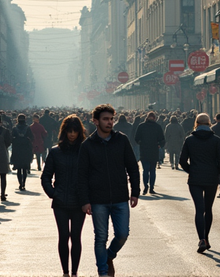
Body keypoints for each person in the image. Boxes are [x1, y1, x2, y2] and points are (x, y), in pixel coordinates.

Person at [77, 104, 139, 277]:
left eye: (112, 119)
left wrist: (135, 192)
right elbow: (81, 175)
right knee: (100, 237)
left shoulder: (122, 140)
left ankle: (109, 255)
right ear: (95, 121)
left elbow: (132, 167)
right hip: (98, 200)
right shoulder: (88, 145)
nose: (110, 122)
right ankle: (103, 271)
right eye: (105, 119)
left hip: (120, 197)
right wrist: (85, 200)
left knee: (122, 234)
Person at [42, 115, 87, 277]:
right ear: (64, 132)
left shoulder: (85, 151)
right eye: (69, 131)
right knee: (63, 236)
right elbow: (46, 177)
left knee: (76, 237)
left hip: (79, 202)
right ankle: (65, 272)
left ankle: (74, 272)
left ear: (79, 132)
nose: (72, 134)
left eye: (75, 131)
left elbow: (91, 176)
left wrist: (87, 198)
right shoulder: (55, 152)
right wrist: (53, 194)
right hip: (60, 202)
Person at [179, 113, 220, 255]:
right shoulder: (216, 140)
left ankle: (201, 239)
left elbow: (182, 161)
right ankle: (207, 237)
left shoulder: (189, 140)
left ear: (196, 124)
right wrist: (215, 172)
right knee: (208, 209)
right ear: (209, 123)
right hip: (211, 178)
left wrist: (191, 170)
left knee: (199, 209)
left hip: (195, 179)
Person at [133, 111, 165, 194]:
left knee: (145, 170)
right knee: (152, 170)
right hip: (154, 150)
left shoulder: (141, 126)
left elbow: (136, 138)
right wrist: (159, 145)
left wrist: (141, 143)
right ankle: (151, 187)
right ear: (154, 118)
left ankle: (145, 186)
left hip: (144, 150)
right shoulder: (157, 127)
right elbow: (162, 139)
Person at [11, 114, 34, 190]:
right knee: (24, 169)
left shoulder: (15, 128)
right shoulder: (28, 128)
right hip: (26, 149)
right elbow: (32, 137)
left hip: (17, 150)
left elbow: (11, 138)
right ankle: (24, 183)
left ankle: (20, 183)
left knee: (19, 169)